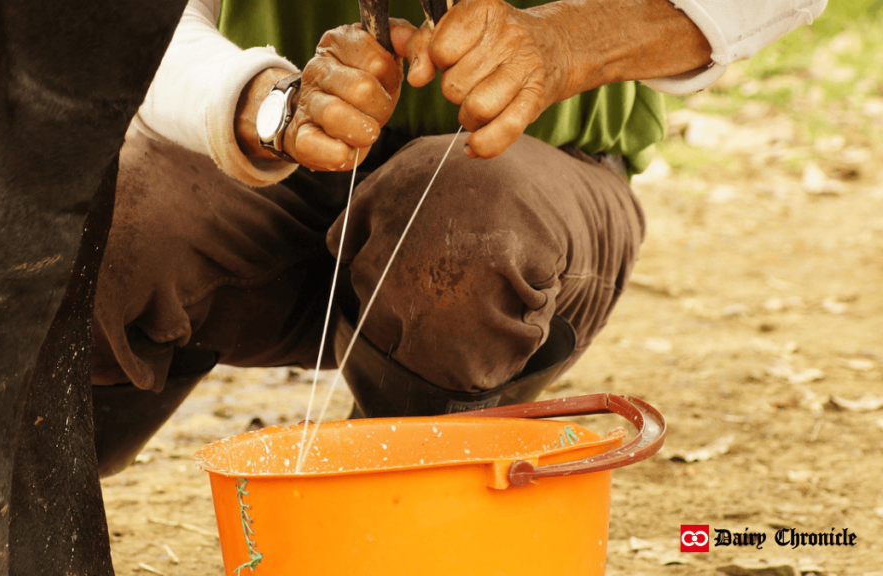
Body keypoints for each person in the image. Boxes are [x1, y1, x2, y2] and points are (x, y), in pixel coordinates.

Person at [87, 0, 828, 472]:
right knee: (92, 224)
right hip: (283, 165)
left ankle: (403, 506)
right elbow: (126, 24)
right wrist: (259, 103)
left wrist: (567, 41)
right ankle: (28, 493)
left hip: (527, 198)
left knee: (465, 230)